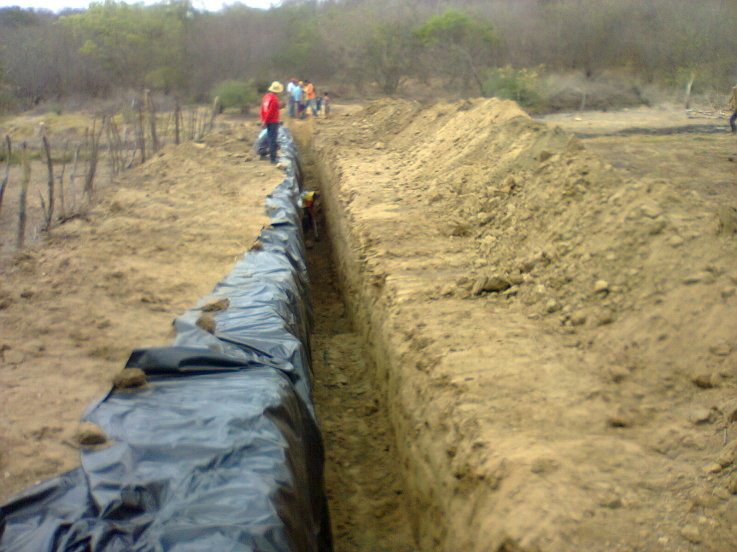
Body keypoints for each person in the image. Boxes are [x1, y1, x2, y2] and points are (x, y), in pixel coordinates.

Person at [260, 81, 283, 164]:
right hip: (273, 121)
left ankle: (270, 156)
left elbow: (262, 110)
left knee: (270, 138)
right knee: (272, 139)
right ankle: (273, 159)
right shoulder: (274, 99)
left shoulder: (265, 97)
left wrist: (263, 121)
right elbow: (271, 111)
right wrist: (265, 121)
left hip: (267, 120)